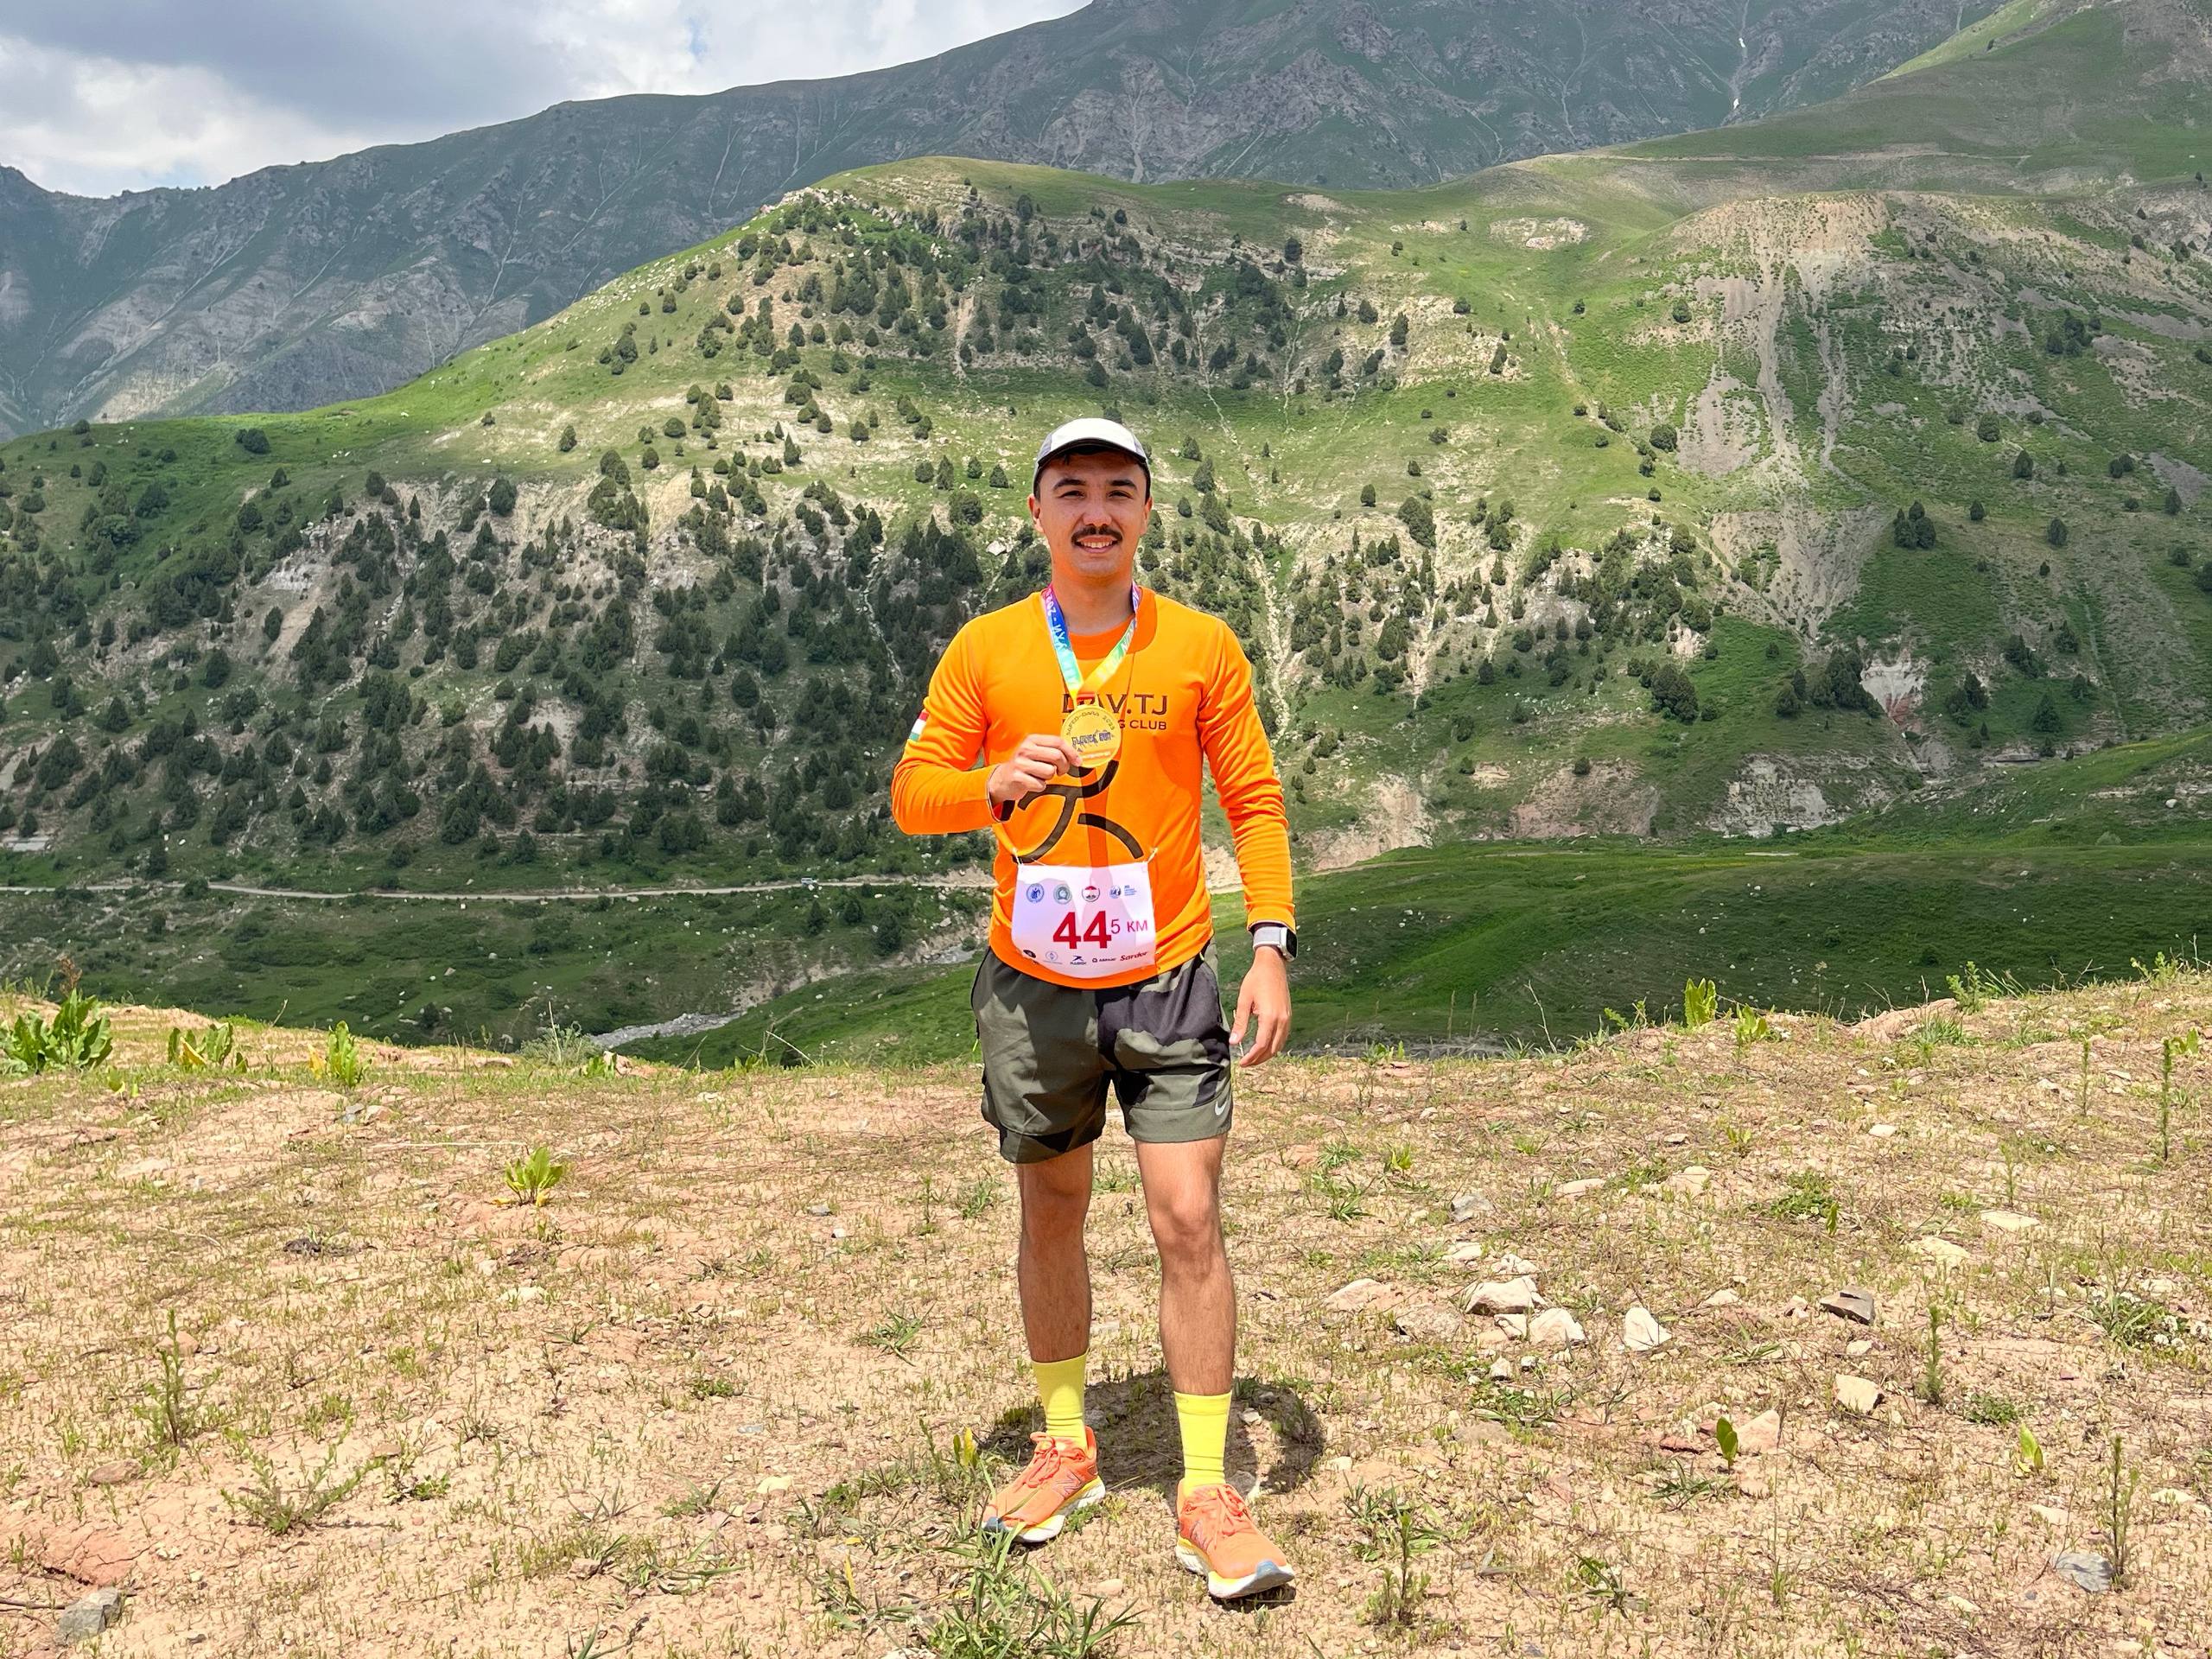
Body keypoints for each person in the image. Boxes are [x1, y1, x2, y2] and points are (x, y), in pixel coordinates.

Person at [890, 416, 1300, 1600]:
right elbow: (913, 796)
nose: (1096, 511)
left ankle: (1207, 1489)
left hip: (1168, 978)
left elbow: (1254, 799)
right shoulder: (987, 649)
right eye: (1071, 491)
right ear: (1039, 515)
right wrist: (988, 783)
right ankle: (1066, 1446)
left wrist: (1271, 944)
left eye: (1119, 490)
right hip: (1034, 989)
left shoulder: (1201, 646)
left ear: (1146, 512)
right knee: (1052, 1210)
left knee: (1189, 1217)